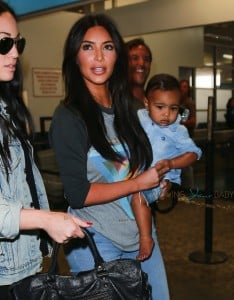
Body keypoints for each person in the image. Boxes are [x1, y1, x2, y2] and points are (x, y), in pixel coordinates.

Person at [49, 14, 171, 300]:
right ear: (74, 56)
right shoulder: (69, 116)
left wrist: (157, 185)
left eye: (108, 47)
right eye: (88, 47)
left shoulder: (128, 108)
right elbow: (78, 194)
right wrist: (139, 183)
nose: (99, 57)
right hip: (97, 241)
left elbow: (137, 168)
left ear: (118, 55)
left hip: (141, 234)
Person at [0, 2, 92, 299]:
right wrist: (47, 219)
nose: (15, 52)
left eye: (18, 42)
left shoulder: (6, 110)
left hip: (23, 266)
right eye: (4, 43)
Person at [131, 74, 202, 260]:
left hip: (160, 179)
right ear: (146, 103)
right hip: (136, 173)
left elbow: (193, 153)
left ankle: (146, 238)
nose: (166, 114)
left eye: (173, 109)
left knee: (138, 198)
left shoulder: (177, 130)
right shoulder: (140, 117)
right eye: (160, 107)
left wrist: (172, 164)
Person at [125, 38, 152, 109]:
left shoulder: (154, 101)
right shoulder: (116, 103)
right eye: (135, 58)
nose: (142, 63)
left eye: (146, 59)